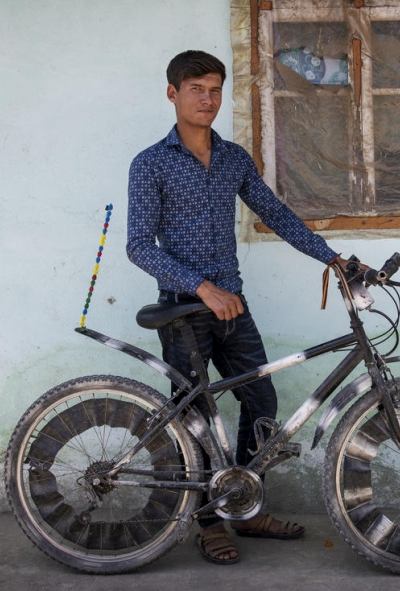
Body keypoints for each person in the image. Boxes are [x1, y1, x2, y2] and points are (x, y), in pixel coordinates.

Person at [126, 50, 341, 565]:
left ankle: (242, 509)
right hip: (183, 309)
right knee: (196, 419)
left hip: (233, 308)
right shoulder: (150, 163)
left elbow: (277, 215)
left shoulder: (233, 159)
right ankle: (206, 524)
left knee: (261, 402)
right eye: (196, 88)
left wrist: (334, 259)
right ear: (173, 93)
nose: (207, 98)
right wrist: (201, 286)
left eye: (215, 88)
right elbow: (138, 245)